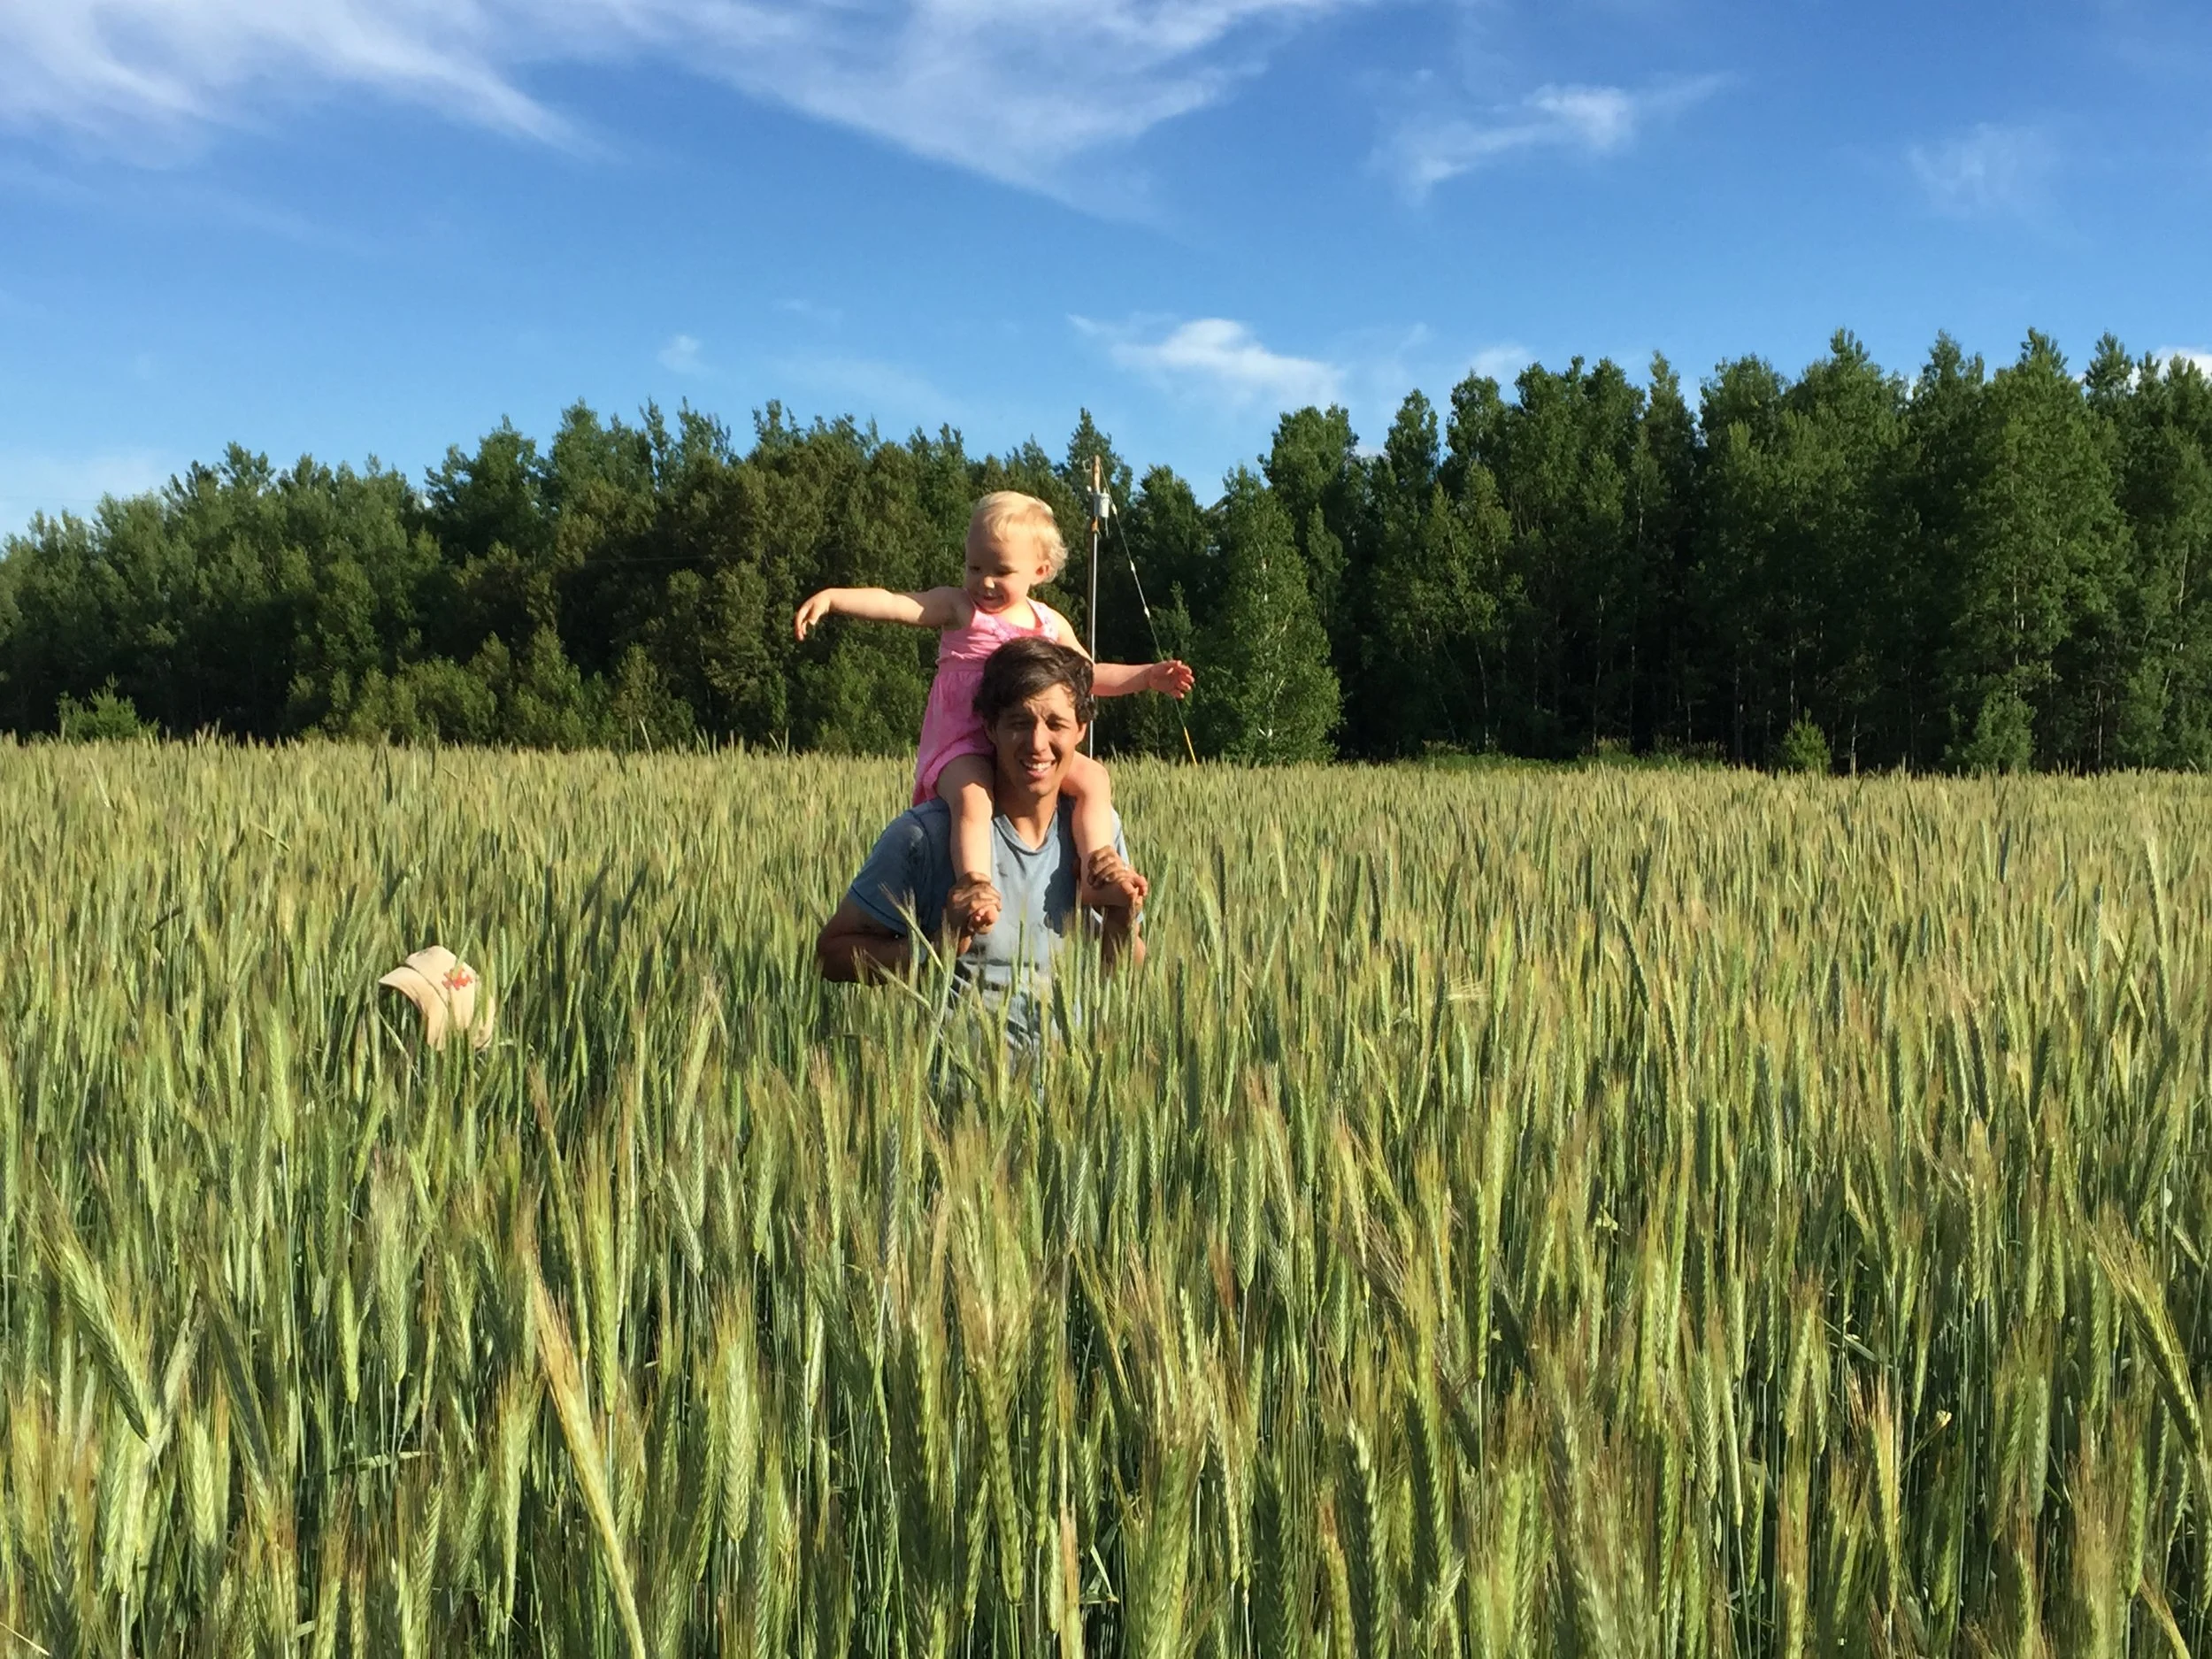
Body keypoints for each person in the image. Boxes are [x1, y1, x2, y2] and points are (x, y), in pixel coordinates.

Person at [794, 489, 1191, 941]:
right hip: (962, 743)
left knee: (1095, 779)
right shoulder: (960, 609)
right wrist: (833, 598)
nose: (983, 582)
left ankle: (1098, 865)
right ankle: (975, 883)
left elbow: (1088, 674)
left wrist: (1146, 676)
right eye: (973, 567)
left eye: (1000, 571)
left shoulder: (1050, 624)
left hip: (1024, 745)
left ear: (1040, 571)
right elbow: (896, 602)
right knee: (974, 799)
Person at [815, 639, 1145, 1043]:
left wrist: (1122, 919)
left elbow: (1120, 971)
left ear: (1081, 729)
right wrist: (936, 947)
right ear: (989, 727)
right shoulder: (927, 836)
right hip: (946, 1099)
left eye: (1055, 724)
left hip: (1068, 1097)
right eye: (1019, 723)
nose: (1037, 744)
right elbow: (831, 957)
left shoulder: (1097, 831)